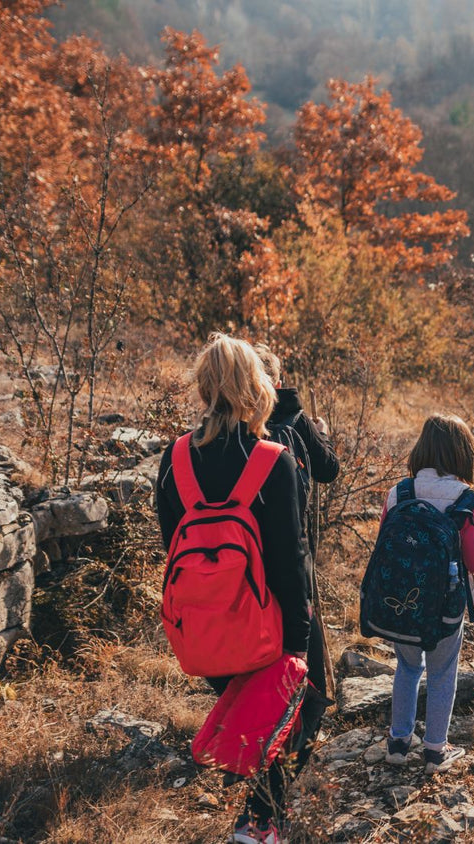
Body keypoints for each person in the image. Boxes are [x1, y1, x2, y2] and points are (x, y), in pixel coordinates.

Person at [154, 334, 316, 844]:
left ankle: (257, 816)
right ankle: (259, 823)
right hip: (264, 626)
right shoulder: (273, 459)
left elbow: (171, 545)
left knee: (252, 720)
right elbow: (291, 560)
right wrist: (299, 634)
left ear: (204, 388)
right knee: (296, 717)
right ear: (257, 386)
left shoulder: (175, 457)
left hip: (201, 628)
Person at [381, 414, 474, 772]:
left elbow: (384, 546)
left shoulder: (398, 493)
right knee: (441, 673)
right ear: (462, 453)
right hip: (446, 605)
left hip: (401, 601)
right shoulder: (465, 500)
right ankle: (435, 750)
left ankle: (398, 742)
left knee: (406, 666)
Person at [252, 345, 340, 540]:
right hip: (290, 532)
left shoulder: (236, 420)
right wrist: (322, 434)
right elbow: (328, 470)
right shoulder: (296, 420)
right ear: (278, 385)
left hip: (247, 532)